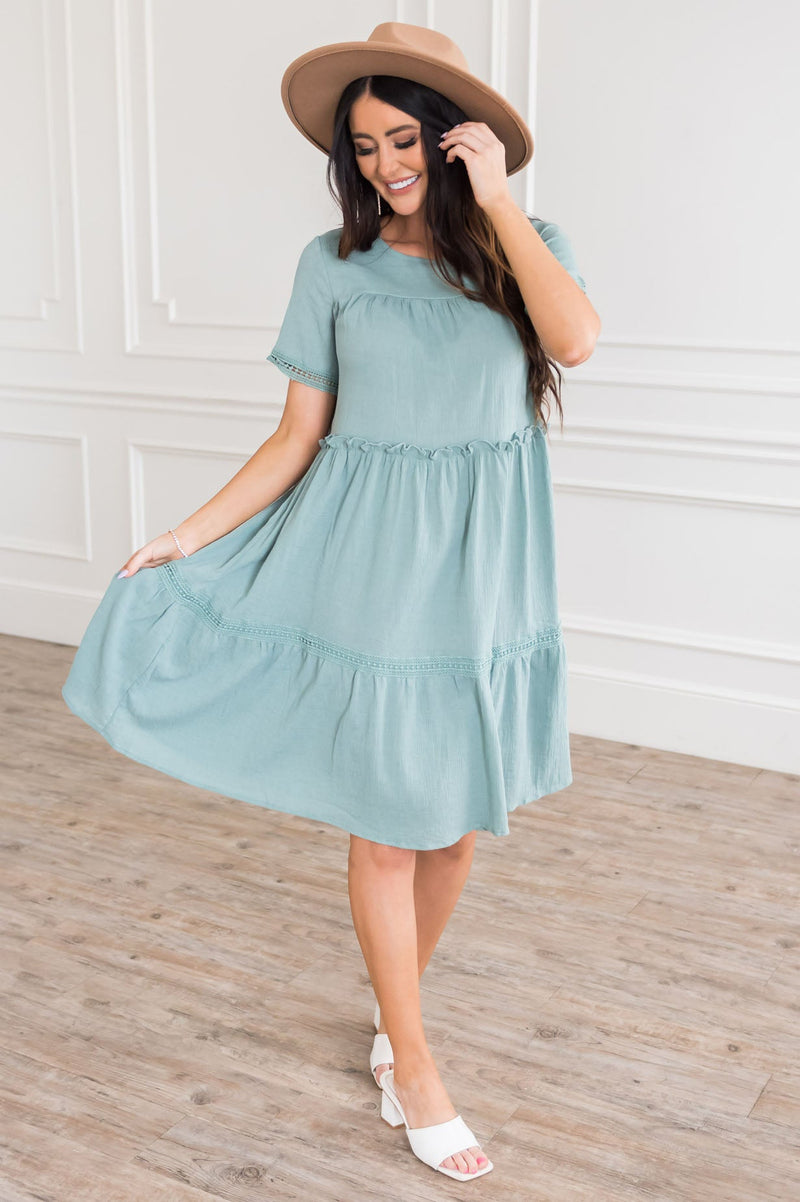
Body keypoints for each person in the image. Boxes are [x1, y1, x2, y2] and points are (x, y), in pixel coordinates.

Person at [62, 20, 599, 1184]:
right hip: (367, 566)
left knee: (454, 824)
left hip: (484, 572)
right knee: (385, 823)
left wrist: (496, 200)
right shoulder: (332, 266)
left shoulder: (522, 245)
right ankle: (414, 1063)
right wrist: (187, 533)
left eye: (403, 139)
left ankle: (393, 1019)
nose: (383, 163)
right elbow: (296, 433)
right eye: (363, 146)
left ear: (452, 139)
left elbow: (575, 339)